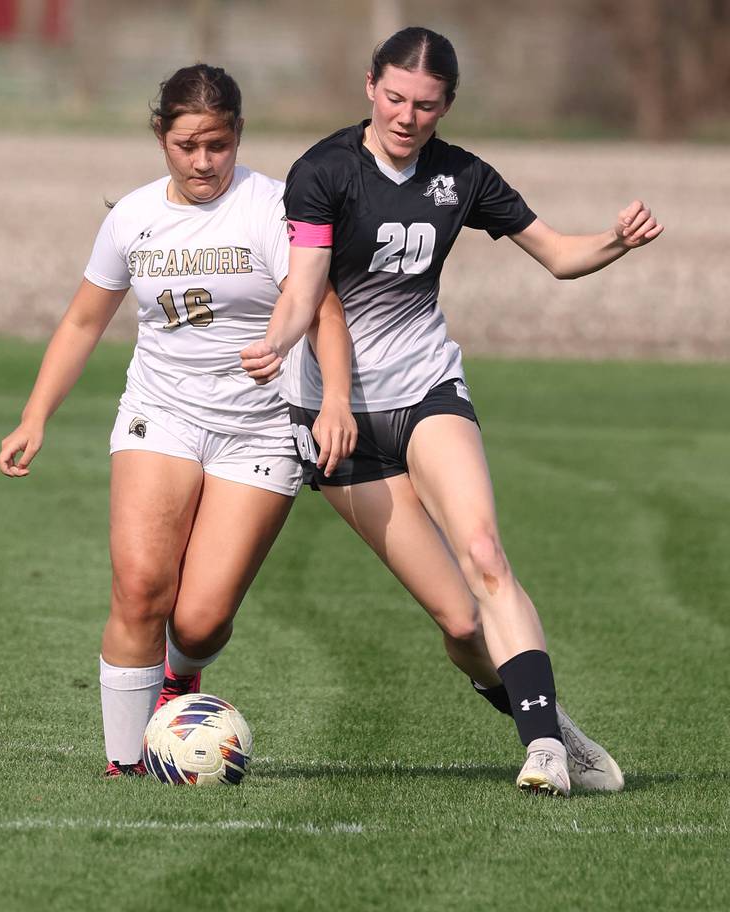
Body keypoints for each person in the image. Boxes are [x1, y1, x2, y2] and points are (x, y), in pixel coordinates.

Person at [242, 26, 663, 796]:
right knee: (462, 626)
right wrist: (277, 344)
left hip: (428, 391)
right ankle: (554, 727)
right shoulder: (323, 170)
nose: (407, 116)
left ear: (446, 106)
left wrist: (616, 240)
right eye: (395, 97)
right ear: (371, 86)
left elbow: (560, 255)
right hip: (337, 422)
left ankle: (539, 753)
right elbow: (304, 289)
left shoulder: (461, 177)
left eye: (426, 105)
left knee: (486, 555)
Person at [0, 63, 353, 777]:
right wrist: (36, 415)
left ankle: (181, 677)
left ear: (238, 135)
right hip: (159, 415)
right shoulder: (131, 217)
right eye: (187, 145)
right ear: (161, 135)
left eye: (217, 145)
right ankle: (123, 762)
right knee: (139, 588)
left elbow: (322, 310)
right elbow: (81, 322)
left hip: (257, 428)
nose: (202, 161)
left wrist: (336, 399)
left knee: (197, 619)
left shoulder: (275, 207)